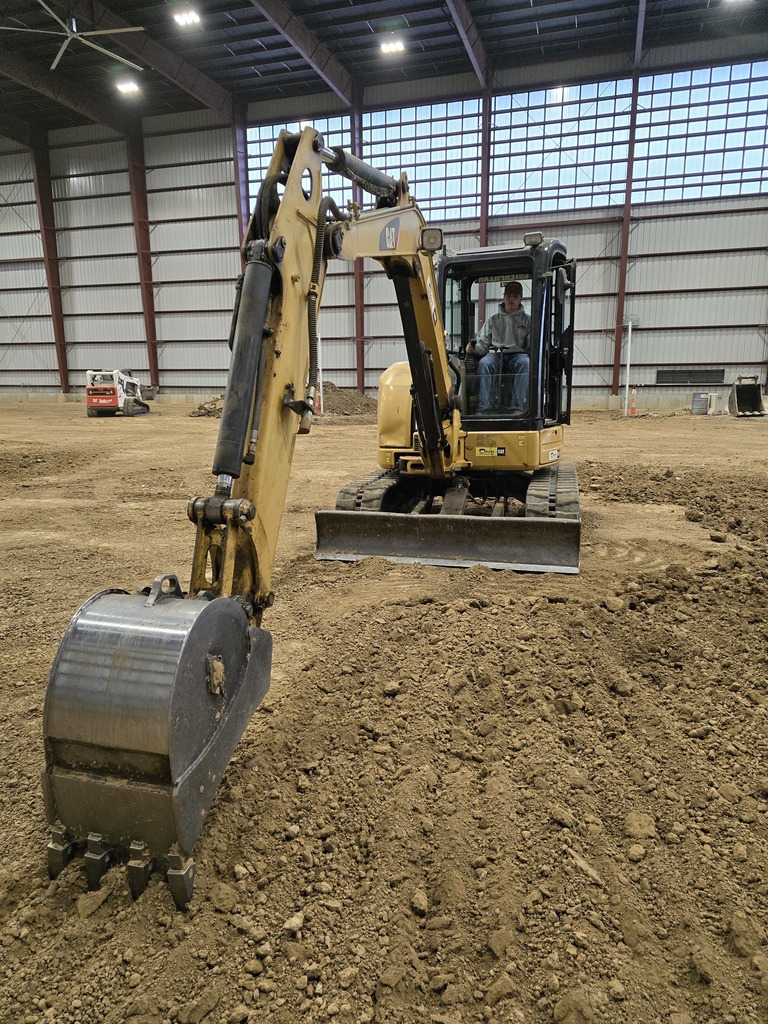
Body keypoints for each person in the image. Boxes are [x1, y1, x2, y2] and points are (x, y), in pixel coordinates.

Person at [466, 281, 531, 414]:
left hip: (518, 355)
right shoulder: (493, 320)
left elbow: (532, 346)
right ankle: (483, 408)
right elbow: (483, 344)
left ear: (520, 298)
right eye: (508, 296)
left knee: (526, 363)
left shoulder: (527, 321)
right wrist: (474, 349)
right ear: (504, 297)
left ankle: (517, 407)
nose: (511, 300)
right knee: (484, 363)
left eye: (515, 297)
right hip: (496, 354)